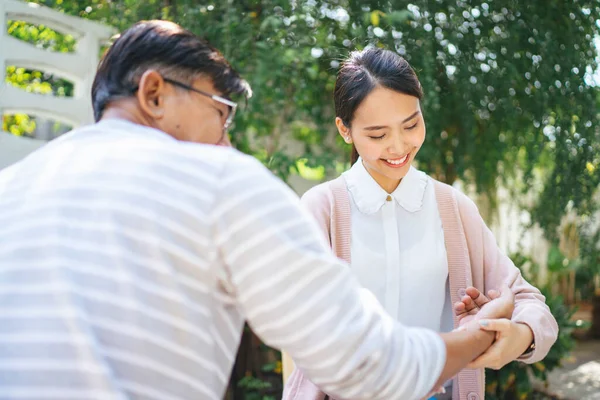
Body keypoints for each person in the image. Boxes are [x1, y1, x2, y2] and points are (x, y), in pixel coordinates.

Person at [1, 21, 513, 400]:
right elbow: (365, 362)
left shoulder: (13, 186)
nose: (226, 139)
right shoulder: (220, 181)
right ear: (153, 93)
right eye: (220, 114)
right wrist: (473, 340)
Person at [282, 48, 559, 400]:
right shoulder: (321, 209)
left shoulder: (453, 207)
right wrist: (466, 340)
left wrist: (518, 334)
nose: (399, 146)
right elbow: (302, 326)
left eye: (411, 125)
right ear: (345, 130)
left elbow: (526, 300)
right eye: (378, 134)